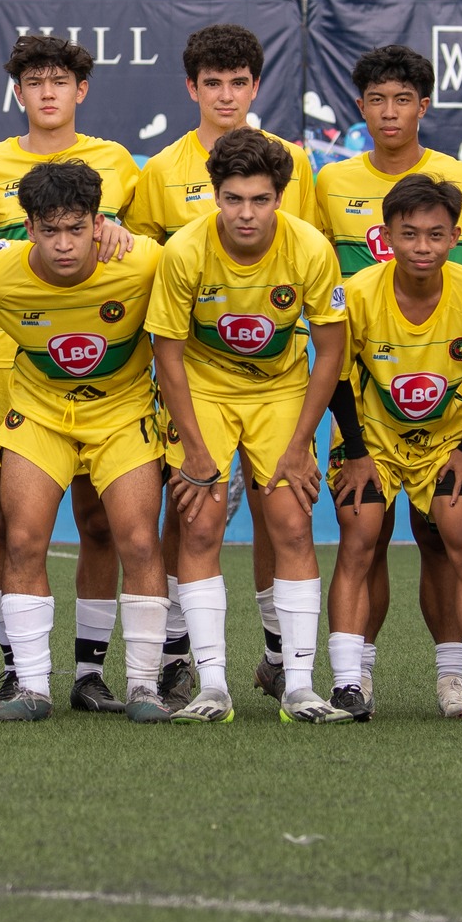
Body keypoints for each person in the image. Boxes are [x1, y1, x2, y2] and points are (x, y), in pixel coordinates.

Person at [123, 22, 315, 711]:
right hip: (194, 372)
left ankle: (280, 661)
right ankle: (182, 659)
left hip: (275, 375)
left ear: (256, 86)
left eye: (239, 82)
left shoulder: (293, 162)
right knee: (190, 513)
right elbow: (141, 266)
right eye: (213, 83)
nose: (226, 95)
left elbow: (303, 256)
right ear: (191, 87)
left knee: (278, 511)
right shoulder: (160, 170)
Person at [314, 44, 462, 718]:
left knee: (454, 537)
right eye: (377, 98)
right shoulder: (354, 276)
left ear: (454, 235)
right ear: (388, 234)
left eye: (437, 235)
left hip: (447, 435)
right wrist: (354, 447)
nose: (423, 245)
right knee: (360, 536)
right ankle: (351, 679)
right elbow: (335, 366)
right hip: (367, 429)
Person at [148, 129, 349, 724]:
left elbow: (331, 352)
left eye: (260, 200)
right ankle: (212, 687)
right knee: (200, 524)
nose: (246, 213)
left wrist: (300, 445)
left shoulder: (310, 248)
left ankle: (299, 687)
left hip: (279, 391)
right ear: (215, 195)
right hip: (204, 390)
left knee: (292, 526)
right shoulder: (185, 251)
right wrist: (193, 449)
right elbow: (168, 354)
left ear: (280, 198)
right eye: (233, 199)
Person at [0, 35, 140, 714]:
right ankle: (18, 667)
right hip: (14, 361)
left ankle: (90, 673)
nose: (47, 92)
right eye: (34, 82)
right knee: (8, 521)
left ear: (81, 89)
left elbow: (137, 251)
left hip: (100, 360)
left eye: (59, 81)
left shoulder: (116, 161)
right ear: (17, 92)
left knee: (99, 520)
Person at [0, 160, 169, 724]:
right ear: (28, 228)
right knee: (23, 540)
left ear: (98, 223)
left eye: (76, 229)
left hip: (122, 412)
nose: (63, 244)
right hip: (40, 413)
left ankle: (143, 686)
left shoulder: (142, 261)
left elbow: (204, 260)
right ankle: (32, 687)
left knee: (139, 542)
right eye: (50, 230)